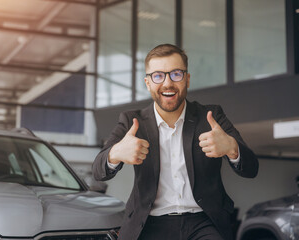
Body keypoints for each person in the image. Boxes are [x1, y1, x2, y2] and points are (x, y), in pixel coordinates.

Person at [92, 44, 258, 240]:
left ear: (187, 79)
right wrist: (116, 153)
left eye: (176, 74)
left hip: (204, 222)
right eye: (158, 76)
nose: (167, 83)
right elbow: (97, 171)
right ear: (148, 82)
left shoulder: (211, 116)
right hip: (150, 223)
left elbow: (251, 168)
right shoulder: (131, 121)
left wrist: (232, 148)